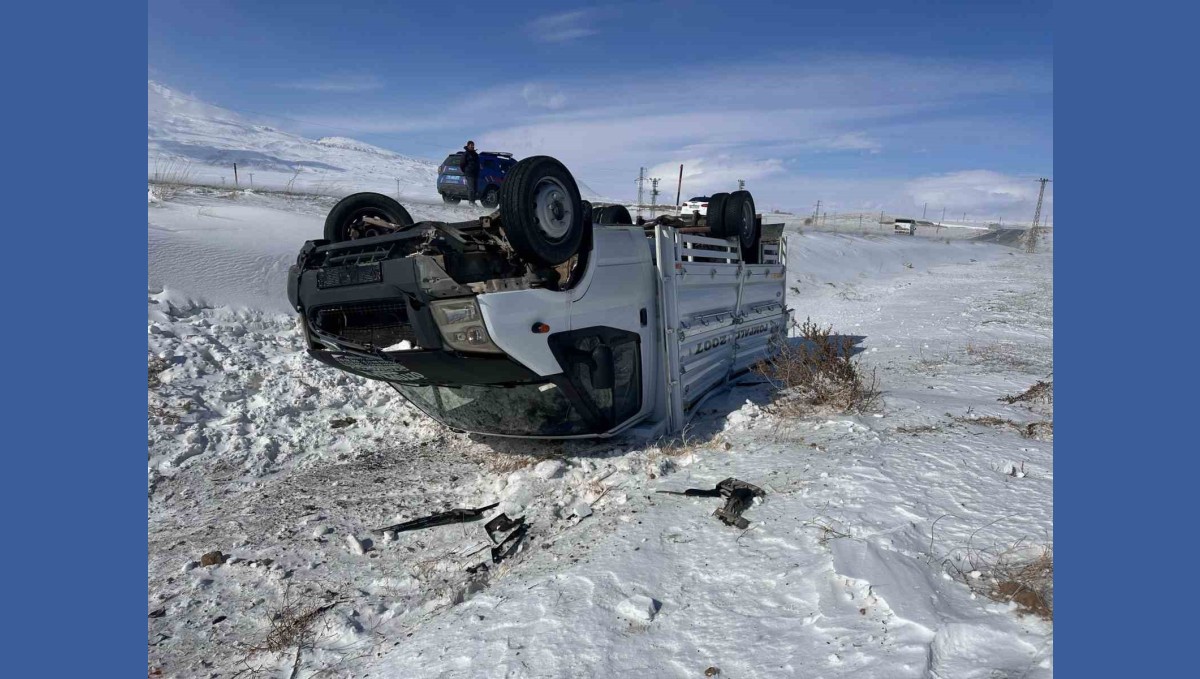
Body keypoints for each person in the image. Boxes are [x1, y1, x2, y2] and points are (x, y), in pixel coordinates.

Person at [459, 140, 480, 206]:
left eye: (473, 145)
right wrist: (465, 170)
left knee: (475, 188)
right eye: (471, 145)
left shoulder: (475, 154)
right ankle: (471, 202)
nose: (472, 146)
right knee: (471, 188)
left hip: (475, 173)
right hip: (469, 173)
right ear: (468, 146)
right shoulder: (466, 154)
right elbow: (462, 163)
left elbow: (478, 163)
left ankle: (473, 202)